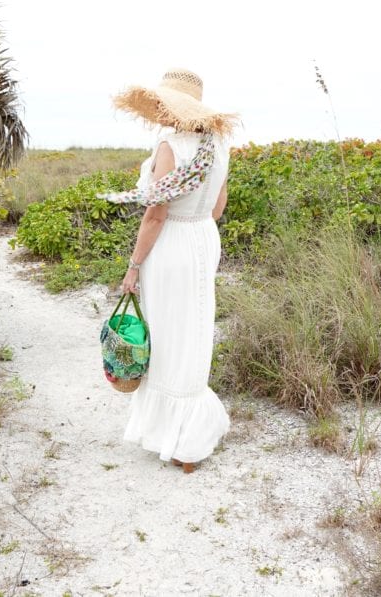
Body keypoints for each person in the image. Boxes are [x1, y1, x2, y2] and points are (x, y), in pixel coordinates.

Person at [100, 69, 238, 474]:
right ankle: (190, 433)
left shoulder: (170, 145)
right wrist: (199, 224)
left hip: (173, 243)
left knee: (166, 331)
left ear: (171, 108)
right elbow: (218, 206)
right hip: (203, 238)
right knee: (194, 330)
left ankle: (174, 437)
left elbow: (155, 215)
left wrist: (134, 266)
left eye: (162, 103)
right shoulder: (220, 146)